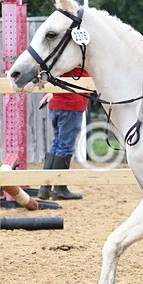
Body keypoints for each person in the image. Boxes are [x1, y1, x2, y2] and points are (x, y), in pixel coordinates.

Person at [38, 67, 88, 200]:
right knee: (65, 146)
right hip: (70, 104)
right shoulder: (77, 56)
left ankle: (45, 187)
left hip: (58, 102)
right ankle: (60, 188)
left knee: (57, 144)